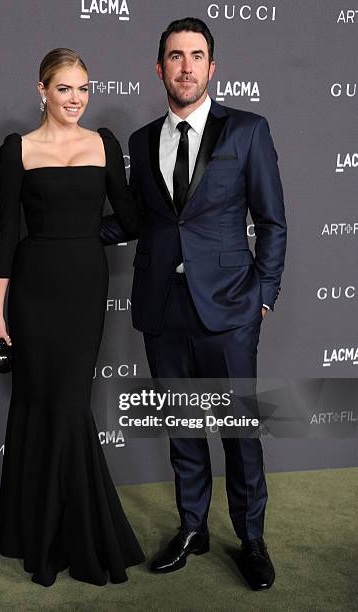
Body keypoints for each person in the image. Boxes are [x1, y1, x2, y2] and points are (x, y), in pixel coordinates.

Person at [101, 18, 287, 590]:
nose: (185, 66)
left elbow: (273, 223)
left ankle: (251, 538)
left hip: (230, 309)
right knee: (183, 427)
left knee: (238, 430)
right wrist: (61, 225)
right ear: (159, 68)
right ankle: (192, 528)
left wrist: (263, 296)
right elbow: (135, 221)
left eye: (196, 56)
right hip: (163, 309)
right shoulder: (139, 141)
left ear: (212, 67)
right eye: (175, 56)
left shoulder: (248, 130)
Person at [0, 48, 144, 587]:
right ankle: (33, 532)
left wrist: (81, 240)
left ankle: (73, 532)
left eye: (83, 90)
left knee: (70, 402)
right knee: (36, 401)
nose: (75, 99)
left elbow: (128, 217)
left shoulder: (103, 143)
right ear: (42, 91)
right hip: (32, 288)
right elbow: (8, 234)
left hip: (83, 287)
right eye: (64, 89)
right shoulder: (18, 149)